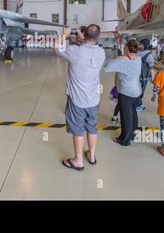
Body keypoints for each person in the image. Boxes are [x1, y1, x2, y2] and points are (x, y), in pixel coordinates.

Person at [55, 24, 106, 171]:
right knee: (92, 127)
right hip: (94, 100)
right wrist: (84, 36)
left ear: (84, 36)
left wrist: (64, 35)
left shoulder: (74, 50)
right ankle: (91, 155)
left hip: (77, 101)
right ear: (98, 38)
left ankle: (78, 160)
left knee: (78, 129)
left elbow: (56, 48)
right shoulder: (101, 53)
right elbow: (89, 44)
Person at [104, 39, 142, 146]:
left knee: (126, 116)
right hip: (137, 90)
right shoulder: (139, 58)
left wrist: (118, 57)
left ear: (126, 48)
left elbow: (107, 67)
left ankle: (124, 140)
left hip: (126, 91)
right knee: (133, 112)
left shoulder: (122, 60)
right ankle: (133, 134)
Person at [136, 38, 155, 112]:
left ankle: (136, 104)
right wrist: (152, 78)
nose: (138, 46)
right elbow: (151, 67)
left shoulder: (137, 53)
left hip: (136, 76)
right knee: (141, 92)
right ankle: (138, 105)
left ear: (144, 45)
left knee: (136, 91)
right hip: (143, 77)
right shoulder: (148, 55)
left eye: (140, 44)